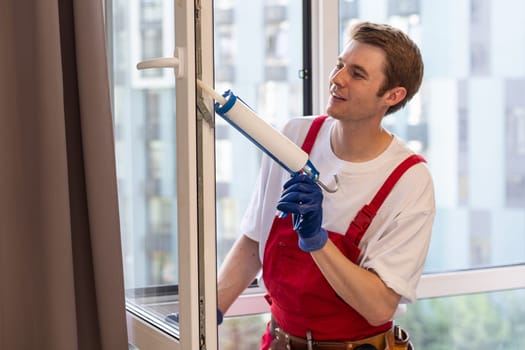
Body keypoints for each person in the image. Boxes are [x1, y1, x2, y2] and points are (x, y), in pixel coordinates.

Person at [217, 21, 435, 350]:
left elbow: (378, 307)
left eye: (357, 74)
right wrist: (206, 312)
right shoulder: (293, 138)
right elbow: (253, 242)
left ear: (392, 95)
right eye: (339, 65)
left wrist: (317, 241)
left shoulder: (408, 179)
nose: (337, 79)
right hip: (279, 342)